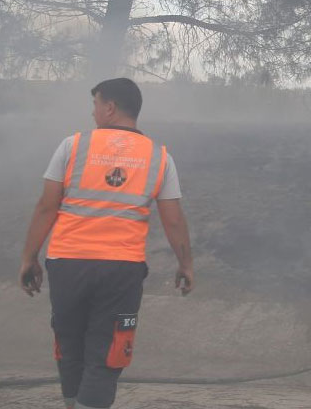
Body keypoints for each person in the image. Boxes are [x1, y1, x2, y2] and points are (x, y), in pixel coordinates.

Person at [19, 78, 194, 409]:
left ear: (110, 107)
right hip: (121, 270)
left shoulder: (72, 146)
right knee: (107, 352)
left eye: (96, 104)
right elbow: (173, 219)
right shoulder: (159, 158)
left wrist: (29, 257)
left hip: (67, 264)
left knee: (69, 345)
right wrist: (186, 264)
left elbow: (46, 206)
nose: (93, 112)